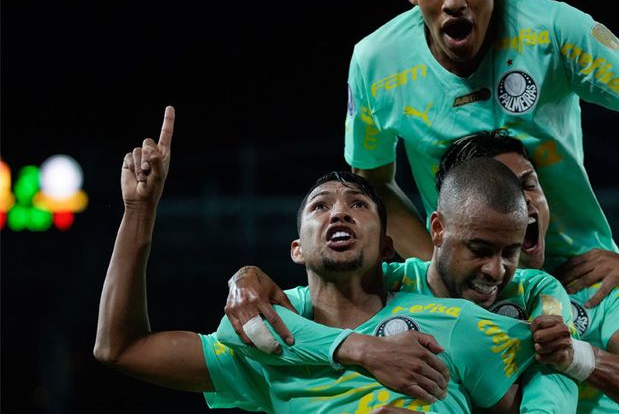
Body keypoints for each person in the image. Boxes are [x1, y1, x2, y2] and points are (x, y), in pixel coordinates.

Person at [93, 107, 571, 413]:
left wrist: (558, 320)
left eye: (358, 205)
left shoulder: (454, 321)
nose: (338, 212)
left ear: (387, 247)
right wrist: (139, 210)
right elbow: (120, 348)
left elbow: (555, 368)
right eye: (319, 206)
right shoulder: (267, 339)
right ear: (296, 248)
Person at [345, 0, 619, 306]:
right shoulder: (375, 63)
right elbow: (372, 181)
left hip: (579, 278)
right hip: (473, 294)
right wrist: (441, 269)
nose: (454, 2)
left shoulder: (555, 30)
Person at [229, 132, 619, 413]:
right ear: (449, 219)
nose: (519, 202)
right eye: (496, 191)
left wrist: (574, 356)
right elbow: (308, 298)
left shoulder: (599, 289)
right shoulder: (397, 283)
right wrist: (247, 278)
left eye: (528, 185)